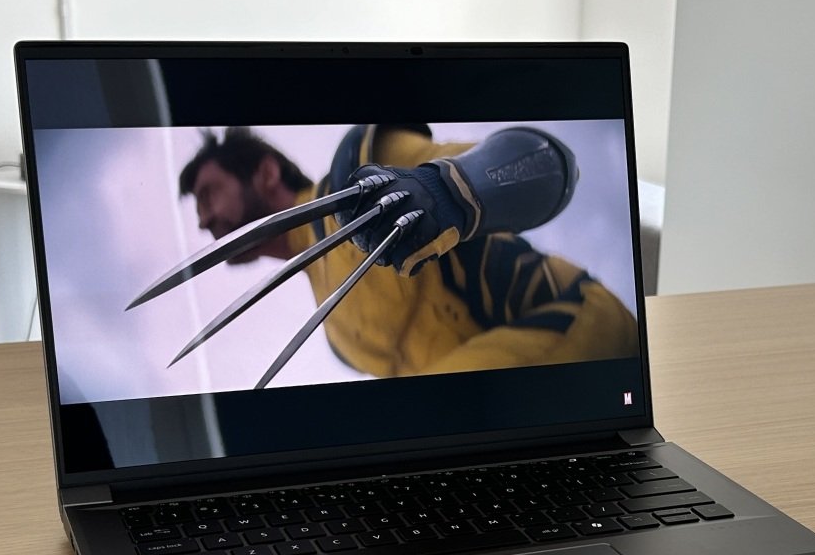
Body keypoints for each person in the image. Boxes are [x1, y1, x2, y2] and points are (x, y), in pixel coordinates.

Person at [177, 124, 639, 378]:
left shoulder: (362, 172)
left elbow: (544, 166)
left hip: (579, 329)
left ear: (265, 174)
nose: (203, 220)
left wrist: (444, 190)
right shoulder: (336, 335)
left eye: (208, 194)